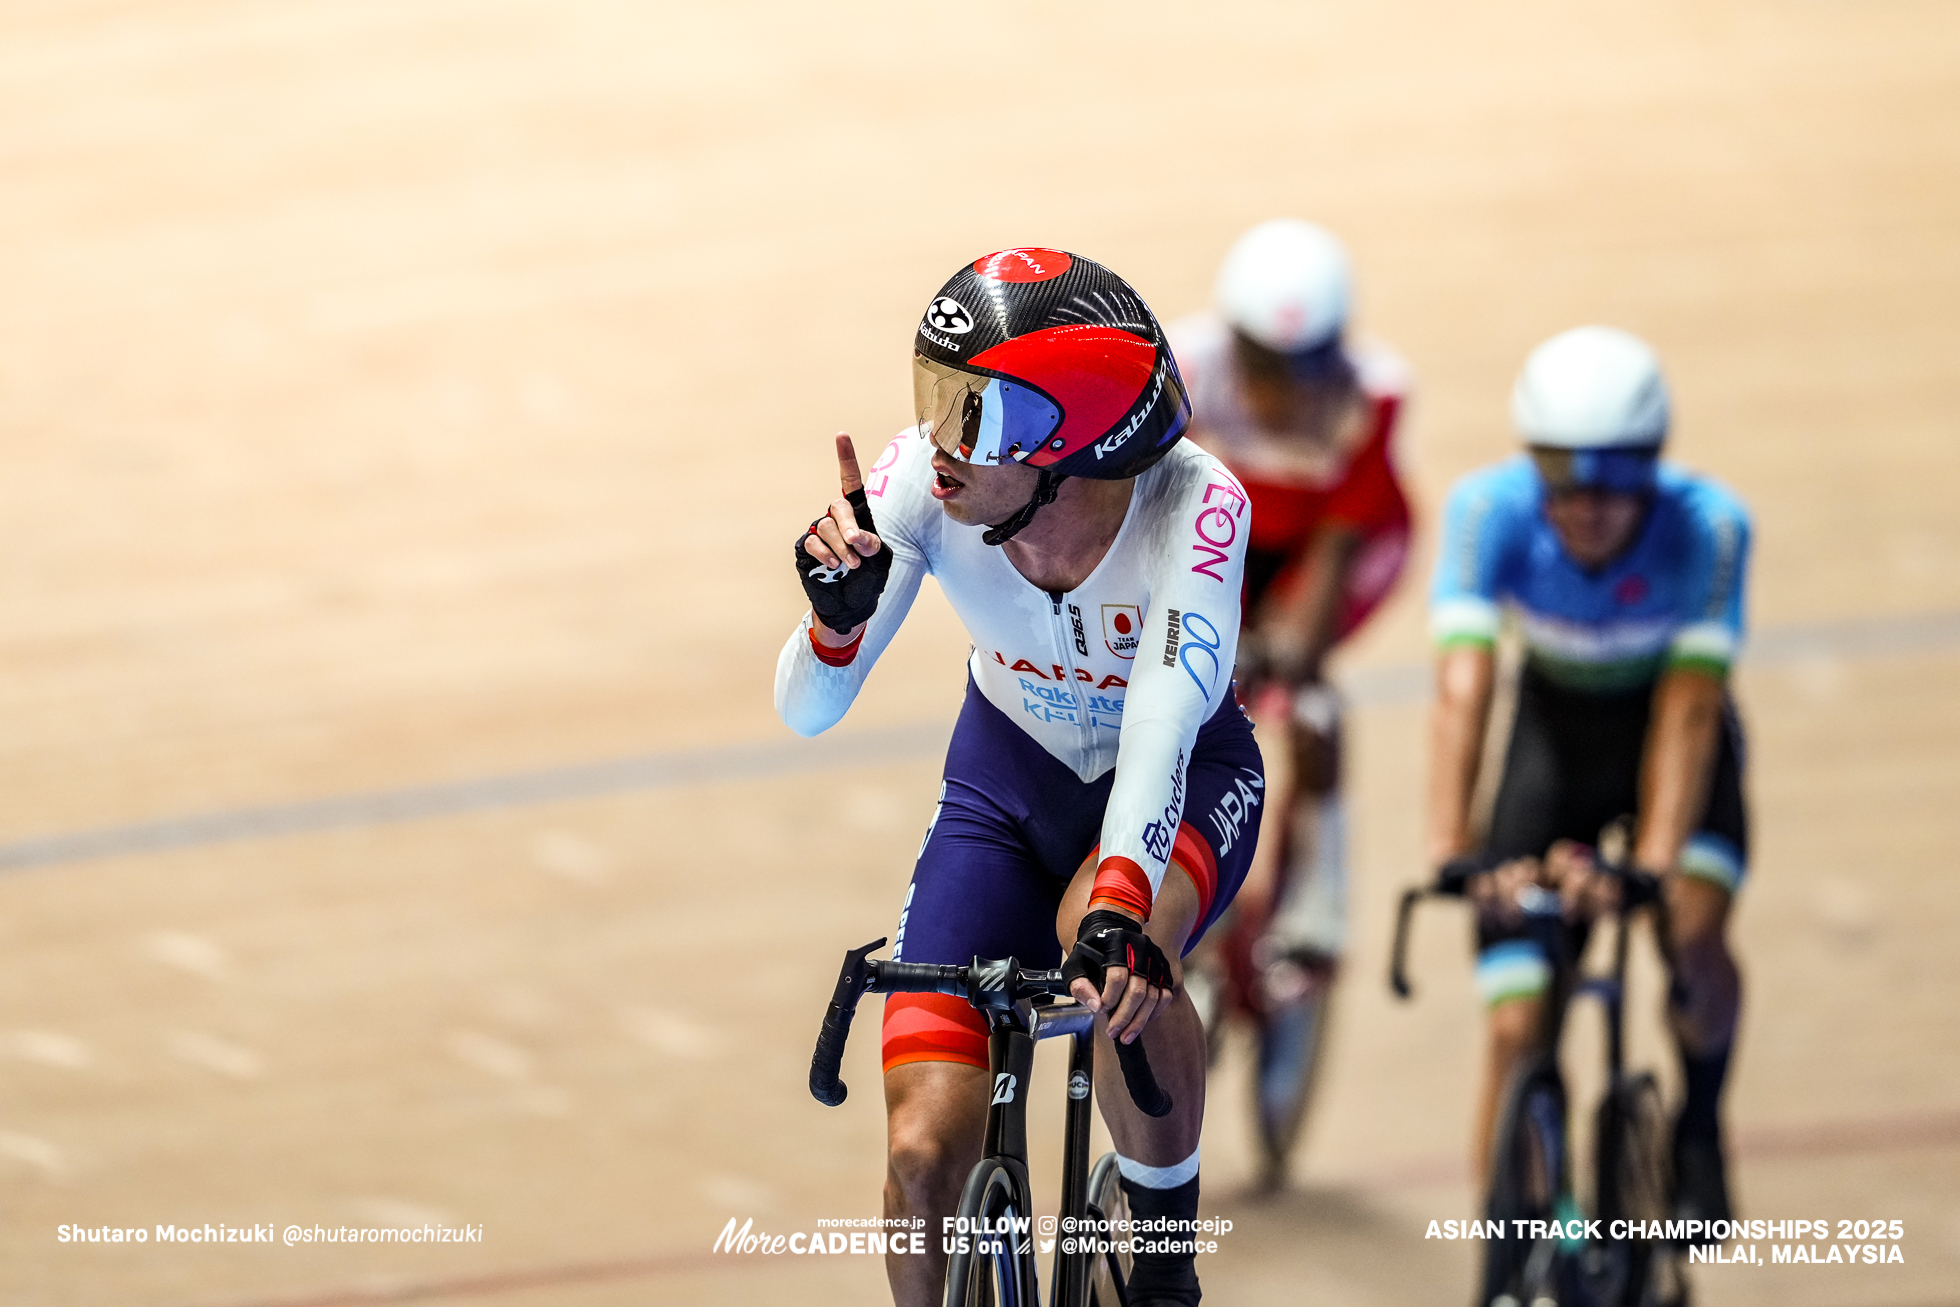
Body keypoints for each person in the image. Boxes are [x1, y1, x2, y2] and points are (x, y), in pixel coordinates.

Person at [776, 248, 1265, 1307]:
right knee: (918, 1165)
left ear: (1062, 443)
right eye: (934, 395)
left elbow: (1160, 728)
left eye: (971, 412)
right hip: (1000, 787)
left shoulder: (1197, 507)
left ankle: (1164, 1265)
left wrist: (1123, 912)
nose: (937, 441)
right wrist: (833, 620)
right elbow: (807, 710)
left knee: (1126, 970)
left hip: (1175, 780)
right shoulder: (919, 480)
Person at [1425, 325, 1750, 1231]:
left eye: (1619, 477)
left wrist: (1647, 866)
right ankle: (1517, 1247)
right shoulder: (1488, 511)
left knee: (1689, 934)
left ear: (1656, 463)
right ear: (1532, 462)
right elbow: (1464, 687)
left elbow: (1687, 712)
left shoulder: (1710, 526)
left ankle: (1698, 1124)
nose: (1591, 503)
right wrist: (1454, 848)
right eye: (1565, 475)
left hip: (1669, 738)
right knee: (1514, 1027)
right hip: (1553, 740)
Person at [1168, 220, 1411, 1058]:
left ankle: (1319, 908)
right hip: (1225, 537)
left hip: (1332, 549)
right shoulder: (1186, 375)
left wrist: (1284, 657)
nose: (1283, 388)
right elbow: (1161, 530)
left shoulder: (1371, 397)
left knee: (1304, 699)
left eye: (1305, 367)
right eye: (1267, 366)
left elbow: (1338, 552)